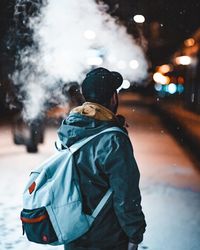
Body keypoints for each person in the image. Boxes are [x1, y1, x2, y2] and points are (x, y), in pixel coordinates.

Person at [57, 67, 146, 250]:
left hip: (73, 231)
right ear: (113, 98)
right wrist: (134, 233)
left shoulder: (70, 128)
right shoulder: (114, 139)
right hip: (108, 237)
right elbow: (126, 194)